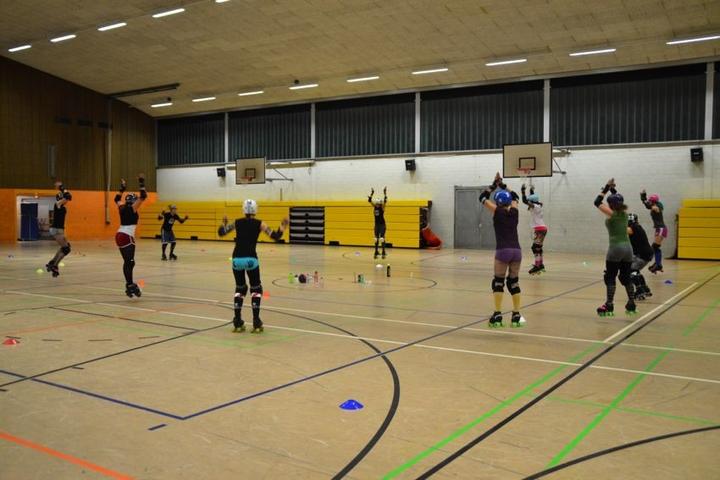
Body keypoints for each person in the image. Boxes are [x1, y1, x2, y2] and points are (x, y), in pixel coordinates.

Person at [218, 199, 288, 333]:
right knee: (256, 288)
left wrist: (224, 223)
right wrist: (282, 227)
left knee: (240, 288)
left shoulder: (237, 223)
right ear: (256, 210)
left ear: (243, 210)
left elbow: (221, 233)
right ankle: (256, 321)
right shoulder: (260, 224)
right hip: (251, 259)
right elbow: (275, 236)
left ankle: (237, 321)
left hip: (236, 259)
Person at [479, 173, 524, 328]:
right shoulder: (515, 212)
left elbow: (482, 198)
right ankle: (516, 315)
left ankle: (498, 315)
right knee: (514, 283)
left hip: (503, 250)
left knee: (498, 282)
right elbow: (516, 197)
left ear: (498, 202)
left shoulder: (497, 211)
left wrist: (493, 184)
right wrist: (503, 185)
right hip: (517, 251)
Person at [594, 178, 636, 317]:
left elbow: (597, 202)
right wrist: (612, 189)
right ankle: (631, 303)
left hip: (616, 248)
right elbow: (618, 199)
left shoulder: (612, 214)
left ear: (611, 205)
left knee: (610, 277)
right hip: (628, 249)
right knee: (625, 277)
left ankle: (609, 304)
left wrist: (606, 187)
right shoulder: (625, 214)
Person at [115, 175, 147, 298]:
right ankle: (129, 285)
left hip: (120, 234)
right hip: (126, 235)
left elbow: (116, 198)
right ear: (133, 201)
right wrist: (141, 182)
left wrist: (122, 188)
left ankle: (129, 284)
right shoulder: (132, 208)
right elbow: (143, 196)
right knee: (130, 262)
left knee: (129, 262)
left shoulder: (122, 207)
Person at [45, 181, 72, 277]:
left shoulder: (61, 205)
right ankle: (55, 265)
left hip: (58, 229)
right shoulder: (58, 204)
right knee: (66, 249)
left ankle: (52, 262)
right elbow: (69, 196)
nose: (67, 201)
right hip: (57, 229)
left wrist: (62, 189)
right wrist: (61, 187)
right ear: (61, 198)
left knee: (65, 247)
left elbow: (68, 197)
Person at [521, 183, 547, 275]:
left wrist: (523, 191)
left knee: (535, 247)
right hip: (541, 228)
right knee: (538, 247)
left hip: (540, 229)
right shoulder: (538, 205)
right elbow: (533, 198)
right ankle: (540, 264)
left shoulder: (535, 207)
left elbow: (524, 200)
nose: (529, 203)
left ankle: (538, 266)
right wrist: (532, 190)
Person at [627, 213, 654, 300]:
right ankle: (645, 288)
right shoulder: (638, 226)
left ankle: (640, 290)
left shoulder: (633, 228)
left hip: (643, 254)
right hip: (646, 253)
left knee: (631, 271)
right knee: (635, 271)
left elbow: (626, 230)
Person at [640, 190, 666, 273]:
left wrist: (645, 199)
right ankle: (658, 264)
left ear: (654, 202)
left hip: (661, 228)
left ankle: (658, 264)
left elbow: (651, 206)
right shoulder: (653, 206)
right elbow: (648, 206)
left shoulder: (657, 207)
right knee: (656, 248)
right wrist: (643, 197)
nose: (650, 202)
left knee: (654, 247)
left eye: (651, 201)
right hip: (658, 228)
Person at [368, 187, 388, 259]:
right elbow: (369, 200)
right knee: (376, 239)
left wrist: (385, 193)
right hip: (376, 225)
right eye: (376, 204)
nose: (376, 205)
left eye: (377, 204)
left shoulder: (382, 208)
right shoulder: (375, 207)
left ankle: (383, 252)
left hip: (382, 225)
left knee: (382, 238)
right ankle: (376, 252)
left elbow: (385, 201)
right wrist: (372, 193)